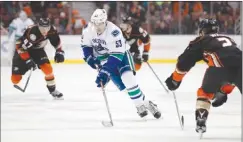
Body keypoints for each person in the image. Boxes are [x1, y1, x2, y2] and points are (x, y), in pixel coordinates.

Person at [165, 18, 241, 133]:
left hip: (218, 69)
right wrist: (223, 91)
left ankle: (201, 118)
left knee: (205, 93)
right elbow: (234, 67)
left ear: (202, 30)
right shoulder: (229, 39)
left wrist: (175, 79)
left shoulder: (201, 40)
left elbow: (184, 62)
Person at [81, 9, 161, 119]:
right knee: (123, 88)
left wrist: (105, 71)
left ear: (104, 22)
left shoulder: (114, 31)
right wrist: (89, 58)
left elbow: (116, 56)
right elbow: (86, 46)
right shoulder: (87, 30)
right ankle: (147, 103)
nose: (97, 26)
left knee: (129, 81)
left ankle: (138, 105)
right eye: (95, 23)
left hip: (121, 56)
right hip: (105, 60)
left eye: (99, 23)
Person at [11, 17, 65, 99]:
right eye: (42, 28)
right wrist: (28, 60)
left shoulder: (52, 30)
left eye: (47, 28)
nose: (45, 30)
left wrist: (59, 51)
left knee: (48, 69)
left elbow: (57, 42)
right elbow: (20, 46)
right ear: (38, 26)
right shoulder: (32, 31)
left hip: (37, 51)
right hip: (23, 51)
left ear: (50, 26)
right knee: (15, 80)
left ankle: (53, 90)